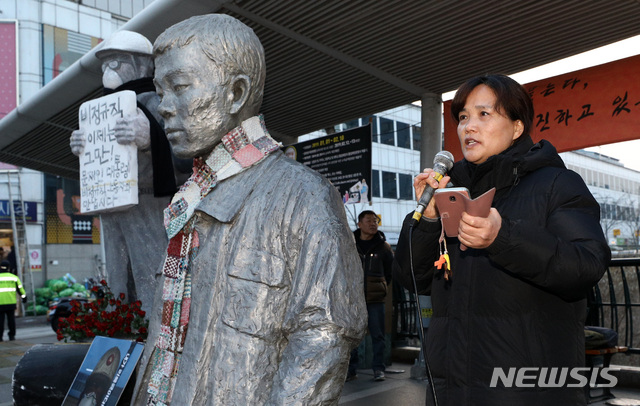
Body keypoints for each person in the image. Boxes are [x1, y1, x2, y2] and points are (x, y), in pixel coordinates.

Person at [131, 14, 366, 405]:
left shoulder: (304, 195)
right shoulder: (190, 196)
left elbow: (323, 336)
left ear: (236, 93)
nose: (164, 107)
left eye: (181, 87)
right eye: (160, 91)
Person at [393, 74, 610, 405]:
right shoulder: (452, 193)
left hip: (525, 391)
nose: (468, 126)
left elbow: (586, 266)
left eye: (484, 114)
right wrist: (429, 219)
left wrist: (502, 236)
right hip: (450, 389)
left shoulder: (557, 184)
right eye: (463, 116)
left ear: (517, 127)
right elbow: (414, 278)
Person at [69, 30, 190, 313]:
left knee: (150, 268)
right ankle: (121, 328)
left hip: (148, 200)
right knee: (117, 275)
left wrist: (151, 139)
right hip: (111, 203)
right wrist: (82, 146)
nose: (108, 71)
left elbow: (186, 158)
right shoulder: (99, 110)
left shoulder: (159, 104)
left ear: (142, 64)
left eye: (117, 62)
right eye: (105, 64)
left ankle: (153, 331)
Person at [348, 210, 394, 382]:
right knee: (352, 336)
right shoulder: (350, 245)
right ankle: (351, 370)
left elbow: (389, 273)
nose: (373, 224)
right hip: (354, 299)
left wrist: (381, 287)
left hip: (376, 300)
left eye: (375, 221)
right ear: (359, 224)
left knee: (378, 336)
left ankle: (378, 369)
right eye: (368, 221)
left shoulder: (384, 247)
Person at [0, 260, 26, 341]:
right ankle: (12, 336)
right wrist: (24, 297)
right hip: (11, 302)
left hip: (0, 303)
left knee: (0, 321)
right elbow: (20, 289)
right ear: (8, 268)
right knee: (11, 320)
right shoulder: (14, 278)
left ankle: (0, 337)